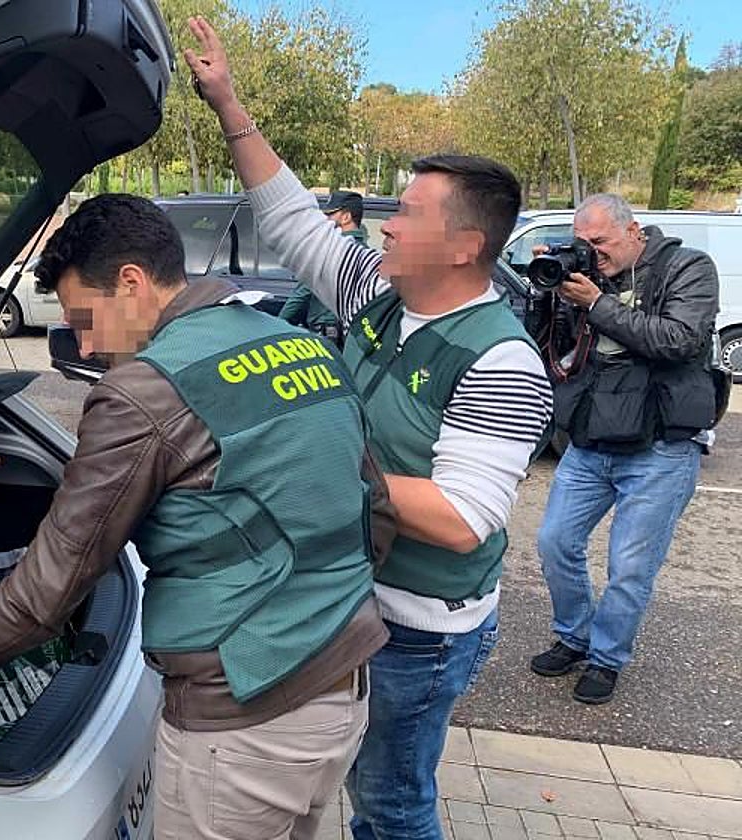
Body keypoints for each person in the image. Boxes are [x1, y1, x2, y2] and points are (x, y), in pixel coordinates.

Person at [0, 193, 397, 839]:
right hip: (343, 685)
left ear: (132, 282)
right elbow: (376, 508)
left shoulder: (144, 390)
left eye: (84, 317)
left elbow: (48, 592)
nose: (83, 344)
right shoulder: (298, 344)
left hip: (243, 718)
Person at [182, 16, 553, 839]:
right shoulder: (377, 296)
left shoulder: (502, 363)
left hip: (419, 627)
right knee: (355, 782)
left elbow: (461, 520)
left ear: (465, 246)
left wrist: (306, 465)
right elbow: (289, 217)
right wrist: (228, 104)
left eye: (410, 213)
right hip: (354, 600)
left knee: (391, 804)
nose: (386, 223)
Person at [530, 193, 719, 705]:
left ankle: (606, 657)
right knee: (554, 543)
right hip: (594, 438)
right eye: (582, 243)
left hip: (660, 444)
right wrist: (547, 295)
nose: (592, 252)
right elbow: (556, 350)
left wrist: (597, 303)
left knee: (630, 567)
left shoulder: (688, 268)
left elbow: (678, 340)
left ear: (634, 230)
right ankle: (574, 634)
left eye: (600, 242)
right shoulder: (588, 278)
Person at [279, 191, 366, 340]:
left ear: (346, 217)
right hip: (351, 340)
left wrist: (278, 327)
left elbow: (302, 295)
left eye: (330, 214)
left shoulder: (329, 251)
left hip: (325, 337)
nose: (326, 219)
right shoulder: (366, 253)